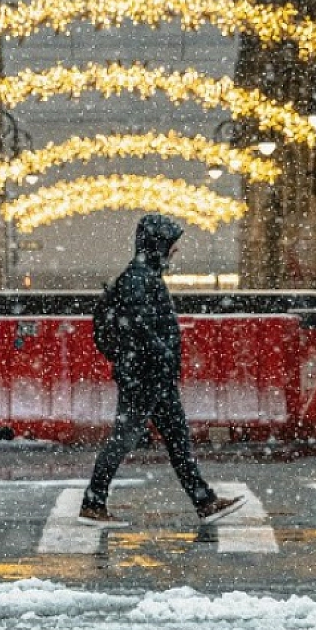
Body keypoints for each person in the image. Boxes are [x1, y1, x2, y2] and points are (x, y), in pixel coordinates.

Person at [78, 213, 246, 527]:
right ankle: (93, 502)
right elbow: (140, 328)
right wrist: (164, 354)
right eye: (172, 244)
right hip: (145, 375)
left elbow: (140, 326)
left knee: (177, 440)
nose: (176, 251)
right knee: (125, 438)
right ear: (158, 244)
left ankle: (204, 501)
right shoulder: (139, 278)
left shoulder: (144, 276)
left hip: (153, 376)